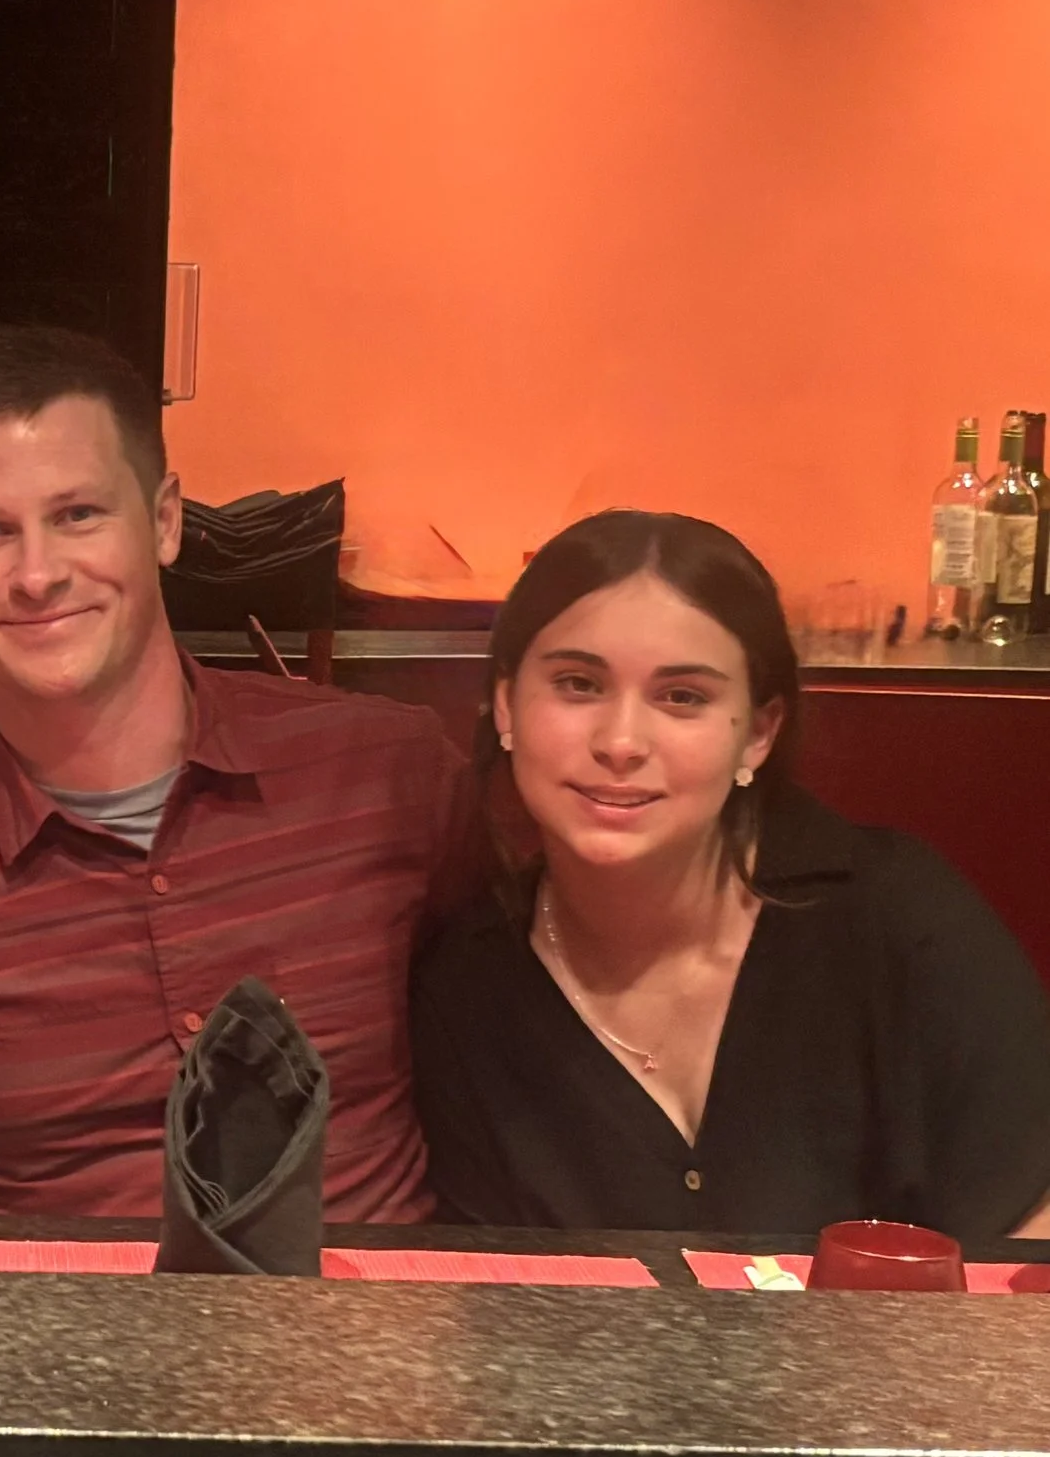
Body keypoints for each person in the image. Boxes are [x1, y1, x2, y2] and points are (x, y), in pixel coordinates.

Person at [0, 326, 471, 1221]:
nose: (37, 574)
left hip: (375, 1311)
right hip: (46, 1318)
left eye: (78, 514)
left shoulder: (386, 775)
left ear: (166, 520)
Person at [411, 510, 1050, 1238]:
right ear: (505, 704)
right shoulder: (466, 992)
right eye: (578, 684)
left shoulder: (896, 919)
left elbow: (1034, 1230)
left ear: (759, 733)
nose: (621, 742)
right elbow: (490, 1286)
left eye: (682, 696)